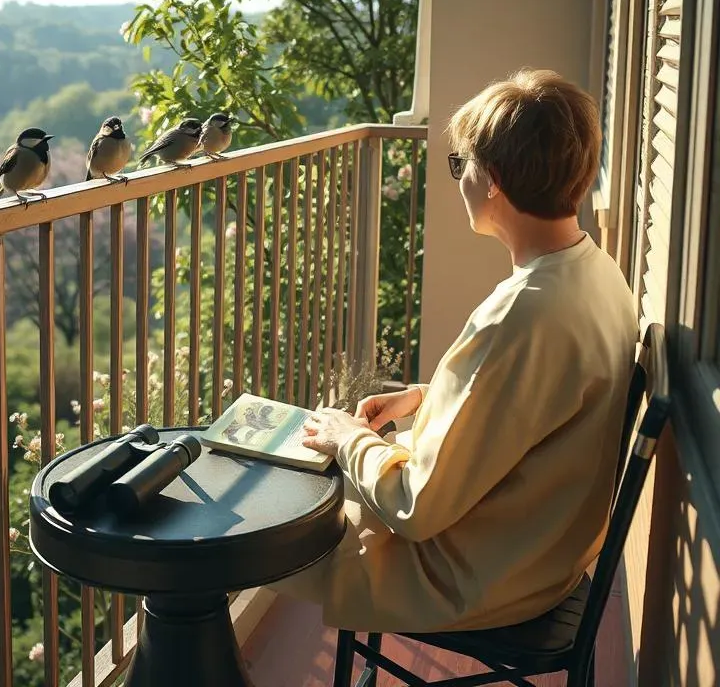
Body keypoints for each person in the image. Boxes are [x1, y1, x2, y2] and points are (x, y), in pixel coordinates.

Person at [272, 69, 638, 633]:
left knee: (240, 527)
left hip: (473, 576)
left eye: (460, 165)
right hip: (538, 555)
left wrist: (351, 439)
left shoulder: (525, 311)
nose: (458, 179)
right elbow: (531, 403)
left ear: (491, 179)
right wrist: (421, 398)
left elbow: (416, 508)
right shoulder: (597, 272)